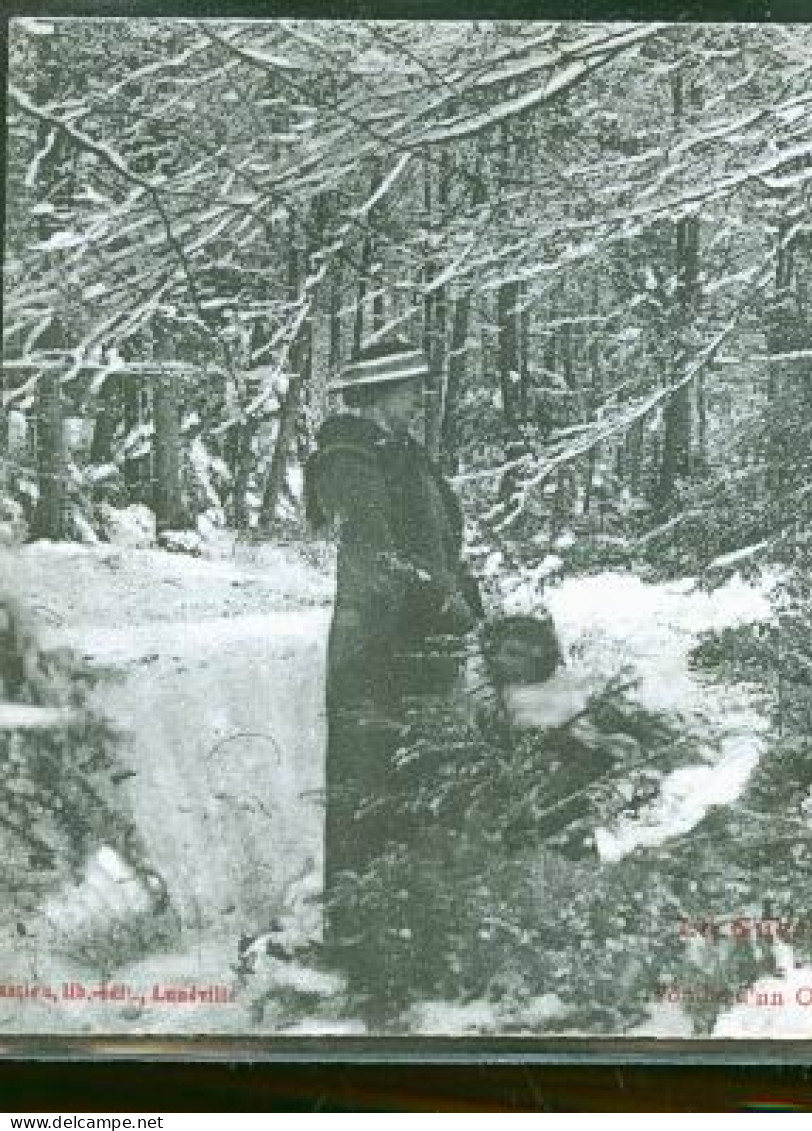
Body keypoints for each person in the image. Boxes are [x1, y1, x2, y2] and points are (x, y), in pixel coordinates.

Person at [303, 341, 484, 1014]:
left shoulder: (405, 455)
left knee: (420, 790)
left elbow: (433, 548)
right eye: (409, 388)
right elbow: (380, 561)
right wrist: (442, 600)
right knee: (368, 790)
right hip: (373, 658)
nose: (419, 399)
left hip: (419, 651)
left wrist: (475, 605)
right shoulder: (348, 460)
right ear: (376, 394)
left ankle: (411, 940)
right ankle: (359, 947)